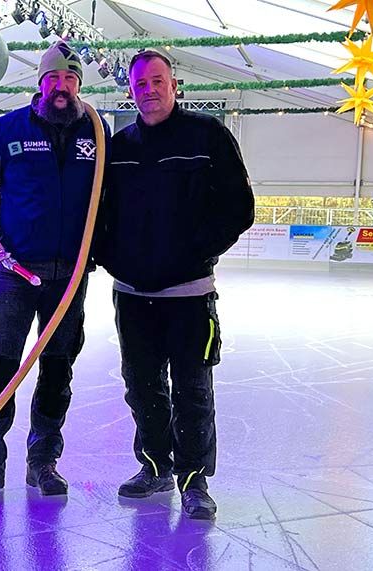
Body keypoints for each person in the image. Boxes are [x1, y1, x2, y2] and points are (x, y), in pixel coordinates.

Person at [97, 50, 254, 519]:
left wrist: (196, 253)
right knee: (142, 387)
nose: (148, 90)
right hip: (133, 295)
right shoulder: (120, 147)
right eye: (140, 83)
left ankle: (194, 481)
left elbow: (239, 209)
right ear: (130, 89)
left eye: (157, 81)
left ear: (174, 84)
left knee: (192, 389)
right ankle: (154, 467)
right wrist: (113, 260)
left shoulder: (208, 136)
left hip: (188, 295)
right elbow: (99, 217)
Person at [0, 40, 109, 499]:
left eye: (70, 79)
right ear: (39, 83)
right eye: (53, 78)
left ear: (79, 85)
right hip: (14, 275)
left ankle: (43, 463)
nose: (61, 87)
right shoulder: (8, 131)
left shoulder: (97, 134)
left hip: (70, 278)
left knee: (57, 371)